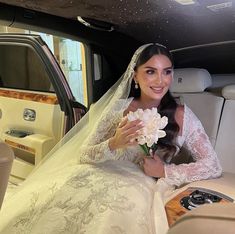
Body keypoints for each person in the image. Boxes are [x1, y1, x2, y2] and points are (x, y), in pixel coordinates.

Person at [0, 44, 222, 234]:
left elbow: (212, 165)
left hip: (137, 185)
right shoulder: (118, 109)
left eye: (167, 72)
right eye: (151, 72)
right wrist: (113, 143)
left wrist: (164, 171)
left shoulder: (183, 116)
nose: (160, 80)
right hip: (98, 173)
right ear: (135, 76)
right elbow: (84, 154)